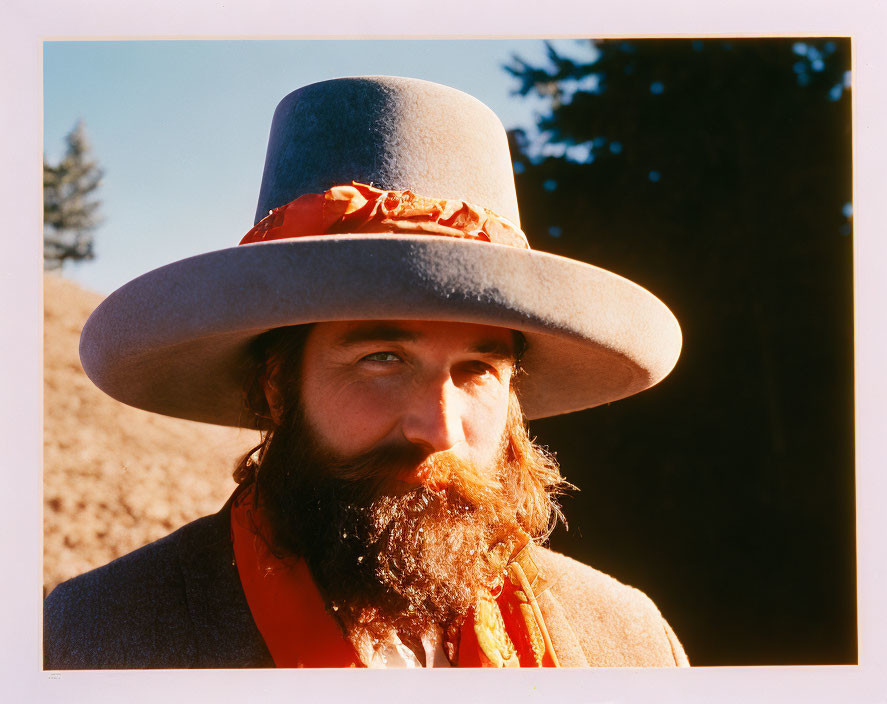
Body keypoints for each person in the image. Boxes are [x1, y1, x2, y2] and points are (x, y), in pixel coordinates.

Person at [43, 75, 688, 669]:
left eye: (477, 369)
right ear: (275, 384)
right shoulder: (86, 641)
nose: (439, 431)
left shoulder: (628, 644)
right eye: (383, 360)